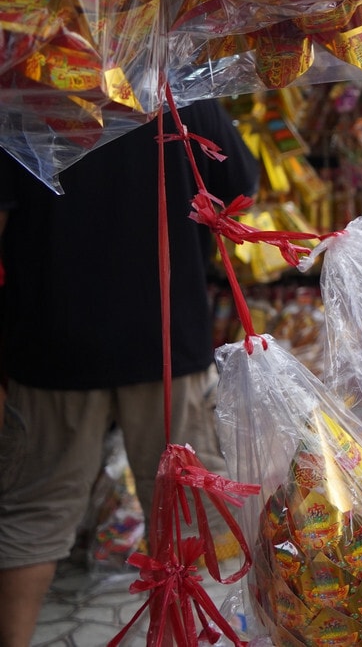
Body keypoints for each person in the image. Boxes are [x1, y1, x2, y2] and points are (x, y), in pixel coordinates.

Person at [0, 99, 258, 647]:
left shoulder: (23, 97)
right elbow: (239, 189)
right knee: (188, 514)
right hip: (166, 340)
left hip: (52, 341)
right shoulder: (177, 92)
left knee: (35, 510)